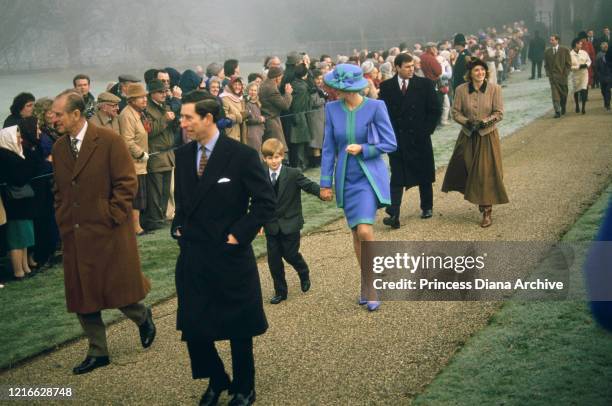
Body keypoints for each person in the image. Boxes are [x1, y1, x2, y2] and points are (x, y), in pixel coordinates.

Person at [172, 97, 275, 405]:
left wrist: (238, 235)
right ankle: (216, 379)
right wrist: (177, 226)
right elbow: (183, 201)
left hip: (229, 253)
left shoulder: (241, 155)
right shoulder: (183, 154)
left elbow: (265, 202)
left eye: (188, 117)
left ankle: (245, 387)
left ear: (208, 119)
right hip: (193, 253)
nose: (182, 123)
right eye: (182, 117)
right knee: (194, 323)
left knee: (238, 325)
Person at [50, 89, 155, 375]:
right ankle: (98, 352)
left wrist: (112, 215)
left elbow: (127, 182)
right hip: (74, 231)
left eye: (58, 114)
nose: (52, 118)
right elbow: (59, 189)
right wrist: (62, 215)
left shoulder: (109, 141)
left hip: (108, 230)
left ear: (75, 114)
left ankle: (142, 316)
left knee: (116, 288)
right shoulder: (59, 148)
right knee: (83, 294)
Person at [320, 64, 397, 312]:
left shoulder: (376, 107)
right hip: (345, 179)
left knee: (365, 231)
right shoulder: (331, 109)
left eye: (338, 88)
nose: (334, 91)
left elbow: (390, 143)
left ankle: (372, 285)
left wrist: (364, 148)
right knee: (356, 233)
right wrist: (325, 182)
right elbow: (329, 148)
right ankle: (366, 282)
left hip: (368, 177)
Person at [441, 59, 509, 227]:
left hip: (487, 136)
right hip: (468, 135)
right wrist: (467, 122)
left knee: (486, 172)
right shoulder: (461, 90)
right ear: (470, 73)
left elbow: (499, 113)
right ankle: (479, 197)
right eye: (477, 70)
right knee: (469, 169)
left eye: (483, 70)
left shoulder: (495, 89)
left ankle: (487, 210)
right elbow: (455, 112)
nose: (480, 73)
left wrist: (486, 121)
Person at [378, 53, 441, 228]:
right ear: (397, 67)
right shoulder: (386, 87)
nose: (411, 69)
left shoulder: (425, 84)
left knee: (424, 174)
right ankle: (394, 213)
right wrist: (388, 135)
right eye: (407, 66)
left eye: (413, 66)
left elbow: (435, 110)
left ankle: (427, 206)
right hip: (397, 139)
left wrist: (426, 130)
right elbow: (382, 114)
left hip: (420, 137)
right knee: (397, 175)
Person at [262, 138, 323, 304]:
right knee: (274, 261)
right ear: (264, 159)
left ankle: (303, 271)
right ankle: (280, 292)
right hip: (271, 226)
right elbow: (258, 199)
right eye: (269, 158)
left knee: (290, 255)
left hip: (290, 223)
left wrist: (322, 192)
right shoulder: (261, 176)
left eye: (276, 157)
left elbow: (309, 185)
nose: (273, 161)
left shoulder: (292, 174)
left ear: (282, 156)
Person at [0, 125, 38, 280]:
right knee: (17, 237)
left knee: (25, 237)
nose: (20, 139)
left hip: (21, 200)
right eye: (17, 136)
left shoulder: (15, 153)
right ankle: (19, 271)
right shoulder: (4, 155)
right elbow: (19, 177)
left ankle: (25, 268)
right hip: (14, 201)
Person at [142, 79, 176, 231]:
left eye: (165, 91)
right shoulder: (146, 110)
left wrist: (174, 121)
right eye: (160, 92)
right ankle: (154, 219)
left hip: (167, 153)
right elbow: (149, 132)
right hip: (156, 153)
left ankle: (161, 217)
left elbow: (170, 130)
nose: (164, 94)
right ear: (152, 93)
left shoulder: (165, 106)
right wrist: (165, 119)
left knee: (165, 189)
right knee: (155, 190)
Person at [118, 83, 150, 235]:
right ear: (131, 100)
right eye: (140, 98)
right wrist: (140, 153)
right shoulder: (127, 115)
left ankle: (138, 226)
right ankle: (135, 228)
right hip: (133, 163)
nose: (145, 100)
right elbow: (127, 140)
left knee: (140, 196)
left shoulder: (138, 113)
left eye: (145, 97)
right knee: (135, 197)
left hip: (140, 164)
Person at [260, 67, 293, 152]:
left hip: (269, 119)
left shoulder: (264, 84)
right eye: (281, 77)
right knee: (275, 147)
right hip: (271, 121)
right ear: (277, 77)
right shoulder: (271, 88)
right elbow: (285, 105)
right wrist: (288, 93)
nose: (281, 79)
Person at [544, 34, 572, 118]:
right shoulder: (547, 52)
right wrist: (548, 74)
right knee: (555, 95)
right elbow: (546, 65)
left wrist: (565, 74)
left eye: (552, 40)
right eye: (550, 40)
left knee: (564, 94)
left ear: (557, 40)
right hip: (553, 78)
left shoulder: (565, 50)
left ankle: (563, 107)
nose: (551, 41)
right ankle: (557, 111)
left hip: (563, 77)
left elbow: (568, 64)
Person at [220, 76, 247, 142]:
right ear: (230, 85)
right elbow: (224, 116)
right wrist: (239, 117)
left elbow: (243, 115)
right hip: (231, 133)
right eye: (235, 84)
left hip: (240, 132)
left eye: (239, 85)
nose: (237, 87)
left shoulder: (241, 99)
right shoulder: (224, 98)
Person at [570, 38, 592, 114]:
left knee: (584, 89)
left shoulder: (584, 52)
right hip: (575, 75)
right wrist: (578, 67)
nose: (581, 45)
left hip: (584, 74)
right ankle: (577, 105)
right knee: (576, 91)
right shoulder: (570, 54)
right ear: (576, 44)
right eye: (580, 44)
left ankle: (583, 107)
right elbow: (569, 66)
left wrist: (586, 65)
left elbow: (589, 60)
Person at [245, 81, 265, 159]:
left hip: (258, 132)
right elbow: (248, 120)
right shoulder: (246, 103)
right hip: (251, 133)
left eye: (255, 90)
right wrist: (260, 119)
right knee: (254, 154)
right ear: (247, 90)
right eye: (251, 90)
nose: (253, 92)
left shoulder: (257, 103)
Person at [595, 41, 611, 110]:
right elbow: (597, 67)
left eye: (606, 46)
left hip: (610, 76)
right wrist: (598, 75)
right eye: (604, 47)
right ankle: (606, 101)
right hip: (602, 76)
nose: (605, 48)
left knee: (607, 90)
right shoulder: (599, 55)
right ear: (601, 47)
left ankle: (608, 104)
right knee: (603, 90)